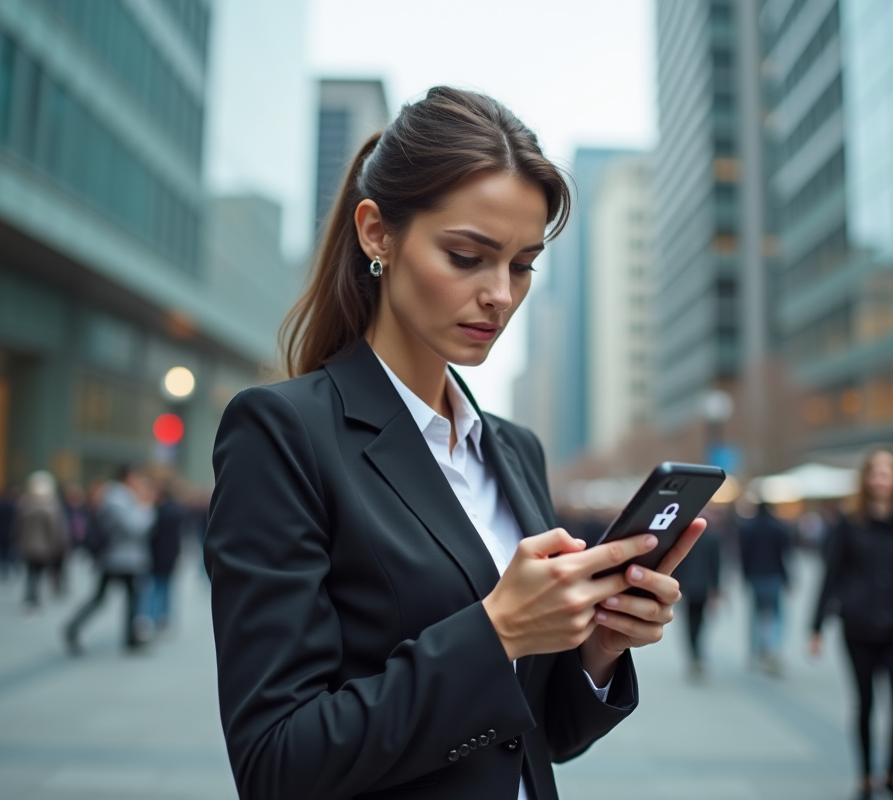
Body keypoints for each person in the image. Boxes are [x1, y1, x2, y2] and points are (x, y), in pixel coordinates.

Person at [205, 86, 705, 800]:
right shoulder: (282, 433)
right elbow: (277, 762)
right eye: (468, 256)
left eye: (523, 264)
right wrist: (496, 632)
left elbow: (538, 736)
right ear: (377, 232)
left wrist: (596, 649)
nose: (500, 293)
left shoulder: (513, 449)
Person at [810, 446, 893, 800]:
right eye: (875, 472)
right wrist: (816, 627)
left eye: (888, 472)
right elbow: (830, 575)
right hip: (859, 628)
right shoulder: (848, 523)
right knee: (864, 705)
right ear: (866, 478)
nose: (881, 478)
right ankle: (866, 776)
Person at [64, 464, 154, 654]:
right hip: (118, 559)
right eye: (136, 477)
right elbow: (134, 527)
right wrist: (146, 507)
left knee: (128, 598)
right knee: (103, 598)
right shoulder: (117, 498)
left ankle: (130, 638)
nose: (139, 482)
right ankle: (72, 628)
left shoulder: (122, 497)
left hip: (125, 559)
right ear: (127, 478)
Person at [738, 499, 791, 674]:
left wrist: (745, 575)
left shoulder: (748, 528)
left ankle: (755, 652)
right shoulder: (778, 528)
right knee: (775, 614)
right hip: (774, 575)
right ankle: (772, 650)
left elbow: (743, 554)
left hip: (755, 575)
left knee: (755, 615)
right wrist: (788, 579)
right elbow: (785, 556)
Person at [674, 511, 722, 678]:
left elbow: (677, 564)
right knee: (699, 620)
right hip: (703, 587)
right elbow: (716, 565)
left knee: (689, 621)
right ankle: (697, 653)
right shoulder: (712, 538)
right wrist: (716, 589)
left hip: (687, 586)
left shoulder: (684, 539)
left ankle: (694, 653)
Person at [14, 470, 68, 613]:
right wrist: (56, 545)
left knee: (30, 573)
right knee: (38, 573)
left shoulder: (25, 504)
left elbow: (18, 526)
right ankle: (34, 598)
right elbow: (54, 529)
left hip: (27, 546)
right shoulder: (51, 505)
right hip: (44, 547)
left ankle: (29, 597)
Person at [143, 480, 183, 630]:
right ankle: (163, 617)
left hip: (157, 555)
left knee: (155, 587)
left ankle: (152, 617)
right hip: (170, 555)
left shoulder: (156, 511)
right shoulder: (175, 510)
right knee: (166, 587)